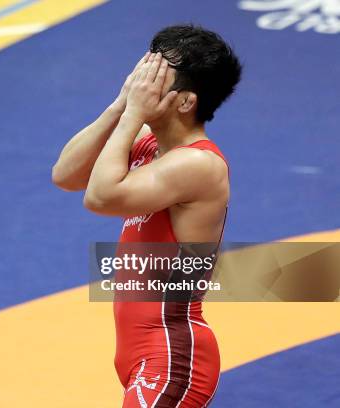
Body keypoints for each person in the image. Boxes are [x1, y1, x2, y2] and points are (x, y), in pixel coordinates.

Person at [52, 25, 242, 407]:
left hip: (171, 357)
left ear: (185, 102)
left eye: (155, 77)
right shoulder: (148, 144)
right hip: (141, 354)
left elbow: (100, 198)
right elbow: (67, 175)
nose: (142, 82)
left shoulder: (198, 163)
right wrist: (120, 106)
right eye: (144, 69)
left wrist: (132, 115)